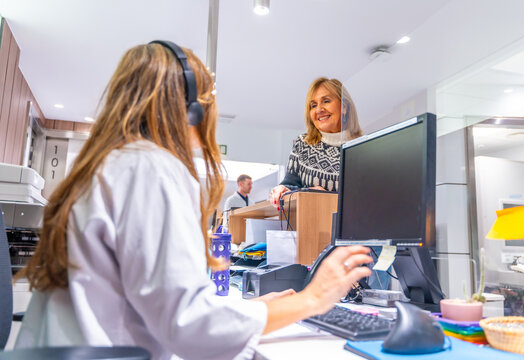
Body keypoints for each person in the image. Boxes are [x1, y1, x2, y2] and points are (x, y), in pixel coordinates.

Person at [14, 41, 373, 360]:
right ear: (190, 110)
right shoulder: (150, 169)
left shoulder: (118, 163)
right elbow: (190, 327)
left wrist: (256, 311)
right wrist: (312, 299)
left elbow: (168, 308)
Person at [269, 77, 362, 207]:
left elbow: (368, 197)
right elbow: (291, 184)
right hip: (309, 223)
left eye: (326, 101)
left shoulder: (362, 148)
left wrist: (327, 198)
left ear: (344, 107)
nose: (319, 110)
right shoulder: (303, 144)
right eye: (313, 105)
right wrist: (283, 190)